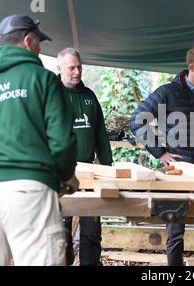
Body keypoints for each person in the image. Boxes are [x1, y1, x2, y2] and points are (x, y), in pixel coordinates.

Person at [0, 14, 77, 266]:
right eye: (39, 43)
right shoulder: (44, 79)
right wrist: (61, 177)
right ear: (27, 42)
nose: (39, 50)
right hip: (30, 190)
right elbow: (63, 141)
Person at [130, 44, 194, 266]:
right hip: (178, 172)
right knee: (175, 234)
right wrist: (161, 152)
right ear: (191, 67)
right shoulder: (168, 93)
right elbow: (137, 120)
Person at [57, 48, 113, 266]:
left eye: (79, 66)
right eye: (72, 67)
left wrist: (108, 167)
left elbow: (100, 133)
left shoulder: (89, 96)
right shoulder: (51, 95)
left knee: (92, 228)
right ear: (59, 68)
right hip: (60, 173)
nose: (77, 71)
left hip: (90, 173)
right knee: (61, 231)